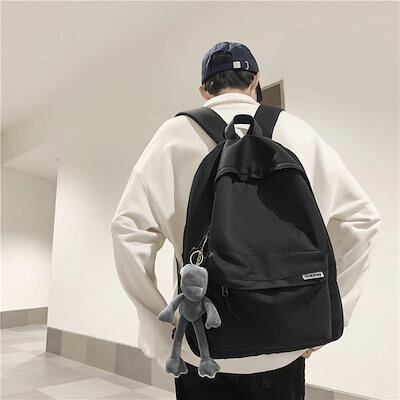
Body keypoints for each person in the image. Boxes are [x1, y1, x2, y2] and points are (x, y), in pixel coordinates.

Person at [110, 41, 382, 400]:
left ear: (204, 90)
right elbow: (363, 220)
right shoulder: (296, 132)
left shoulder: (172, 136)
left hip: (202, 346)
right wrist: (331, 316)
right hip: (286, 342)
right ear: (255, 81)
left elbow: (127, 230)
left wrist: (161, 332)